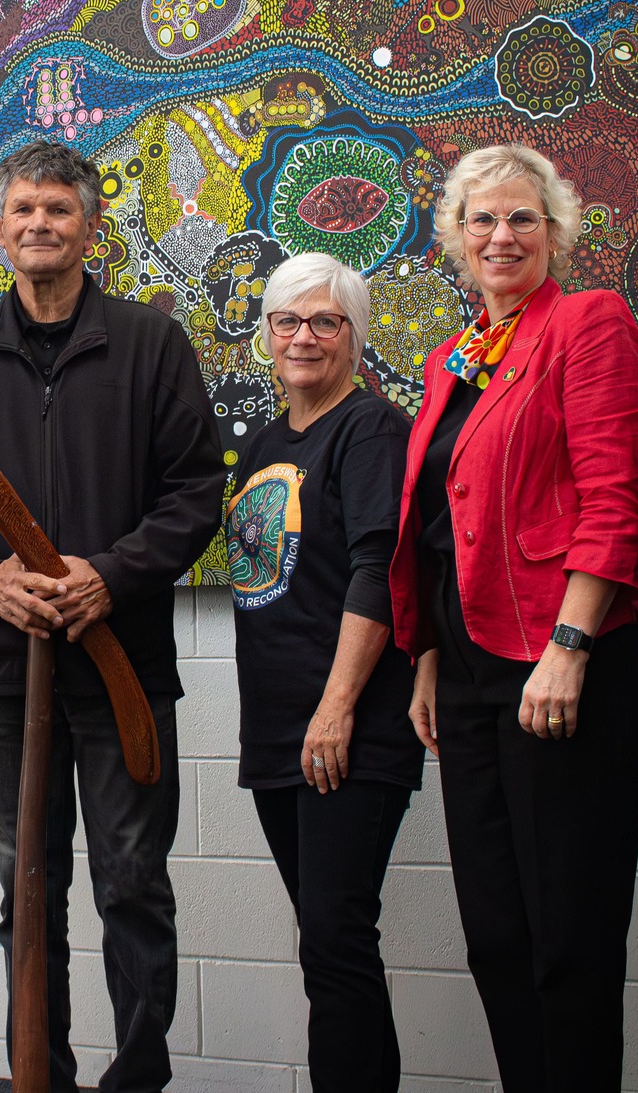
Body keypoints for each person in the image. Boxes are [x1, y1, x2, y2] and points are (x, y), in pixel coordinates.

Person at [0, 139, 225, 1093]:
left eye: (58, 209)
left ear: (91, 226)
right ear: (0, 229)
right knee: (27, 888)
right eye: (23, 210)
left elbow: (196, 490)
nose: (39, 223)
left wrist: (111, 575)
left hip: (124, 665)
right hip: (9, 674)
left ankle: (138, 1079)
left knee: (132, 885)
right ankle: (35, 1076)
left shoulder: (149, 342)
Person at [388, 144, 638, 1092]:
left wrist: (571, 645)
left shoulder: (588, 323)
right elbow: (436, 523)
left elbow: (616, 494)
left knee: (566, 937)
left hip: (559, 663)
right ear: (456, 237)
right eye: (482, 220)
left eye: (522, 219)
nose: (501, 236)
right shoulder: (454, 359)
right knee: (497, 932)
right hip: (465, 675)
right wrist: (424, 658)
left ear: (554, 233)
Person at [224, 253, 419, 1092]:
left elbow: (380, 568)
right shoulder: (267, 440)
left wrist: (336, 707)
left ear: (354, 335)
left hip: (344, 727)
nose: (304, 336)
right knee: (328, 939)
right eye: (287, 321)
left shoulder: (371, 428)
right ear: (265, 335)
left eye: (325, 321)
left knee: (336, 938)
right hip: (277, 727)